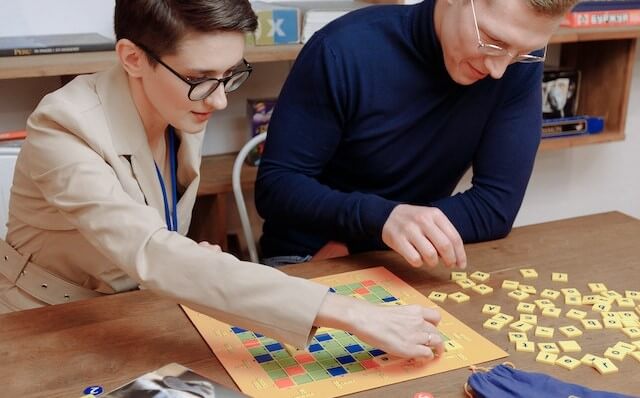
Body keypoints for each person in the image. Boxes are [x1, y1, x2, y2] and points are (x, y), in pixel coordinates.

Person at [0, 0, 443, 359]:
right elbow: (152, 250)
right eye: (200, 78)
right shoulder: (61, 127)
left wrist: (187, 255)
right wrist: (352, 313)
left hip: (140, 305)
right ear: (133, 58)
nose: (219, 99)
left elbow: (160, 241)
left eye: (230, 73)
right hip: (45, 321)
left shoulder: (184, 99)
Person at [255, 0, 578, 268]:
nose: (499, 69)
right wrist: (379, 220)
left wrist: (365, 239)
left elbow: (495, 209)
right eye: (492, 41)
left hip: (403, 254)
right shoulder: (343, 48)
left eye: (525, 50)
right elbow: (276, 188)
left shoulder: (516, 65)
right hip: (308, 255)